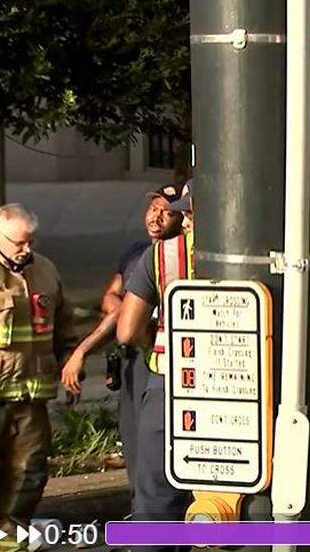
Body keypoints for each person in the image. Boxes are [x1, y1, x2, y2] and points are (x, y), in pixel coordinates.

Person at [0, 204, 76, 551]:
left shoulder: (45, 271)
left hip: (30, 401)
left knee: (29, 476)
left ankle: (10, 546)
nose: (27, 250)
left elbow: (63, 329)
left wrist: (71, 361)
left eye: (31, 242)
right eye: (19, 243)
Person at [59, 184, 184, 503]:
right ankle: (140, 511)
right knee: (134, 440)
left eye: (166, 212)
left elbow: (124, 321)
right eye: (153, 209)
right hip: (132, 362)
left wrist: (84, 349)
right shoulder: (135, 253)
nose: (156, 217)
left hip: (157, 363)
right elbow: (111, 299)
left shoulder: (178, 258)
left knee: (158, 448)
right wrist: (129, 307)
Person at [116, 181, 195, 548]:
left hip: (171, 384)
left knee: (158, 495)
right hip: (240, 392)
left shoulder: (164, 256)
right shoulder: (258, 251)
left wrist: (156, 341)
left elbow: (127, 330)